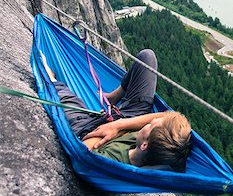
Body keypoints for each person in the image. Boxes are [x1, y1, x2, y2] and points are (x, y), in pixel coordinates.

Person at [41, 49, 192, 172]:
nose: (151, 120)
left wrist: (112, 129)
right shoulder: (158, 145)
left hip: (88, 128)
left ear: (145, 145)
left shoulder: (112, 157)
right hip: (126, 118)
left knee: (51, 82)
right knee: (147, 58)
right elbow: (167, 115)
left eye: (151, 125)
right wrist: (118, 126)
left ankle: (51, 78)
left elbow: (83, 153)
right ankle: (114, 96)